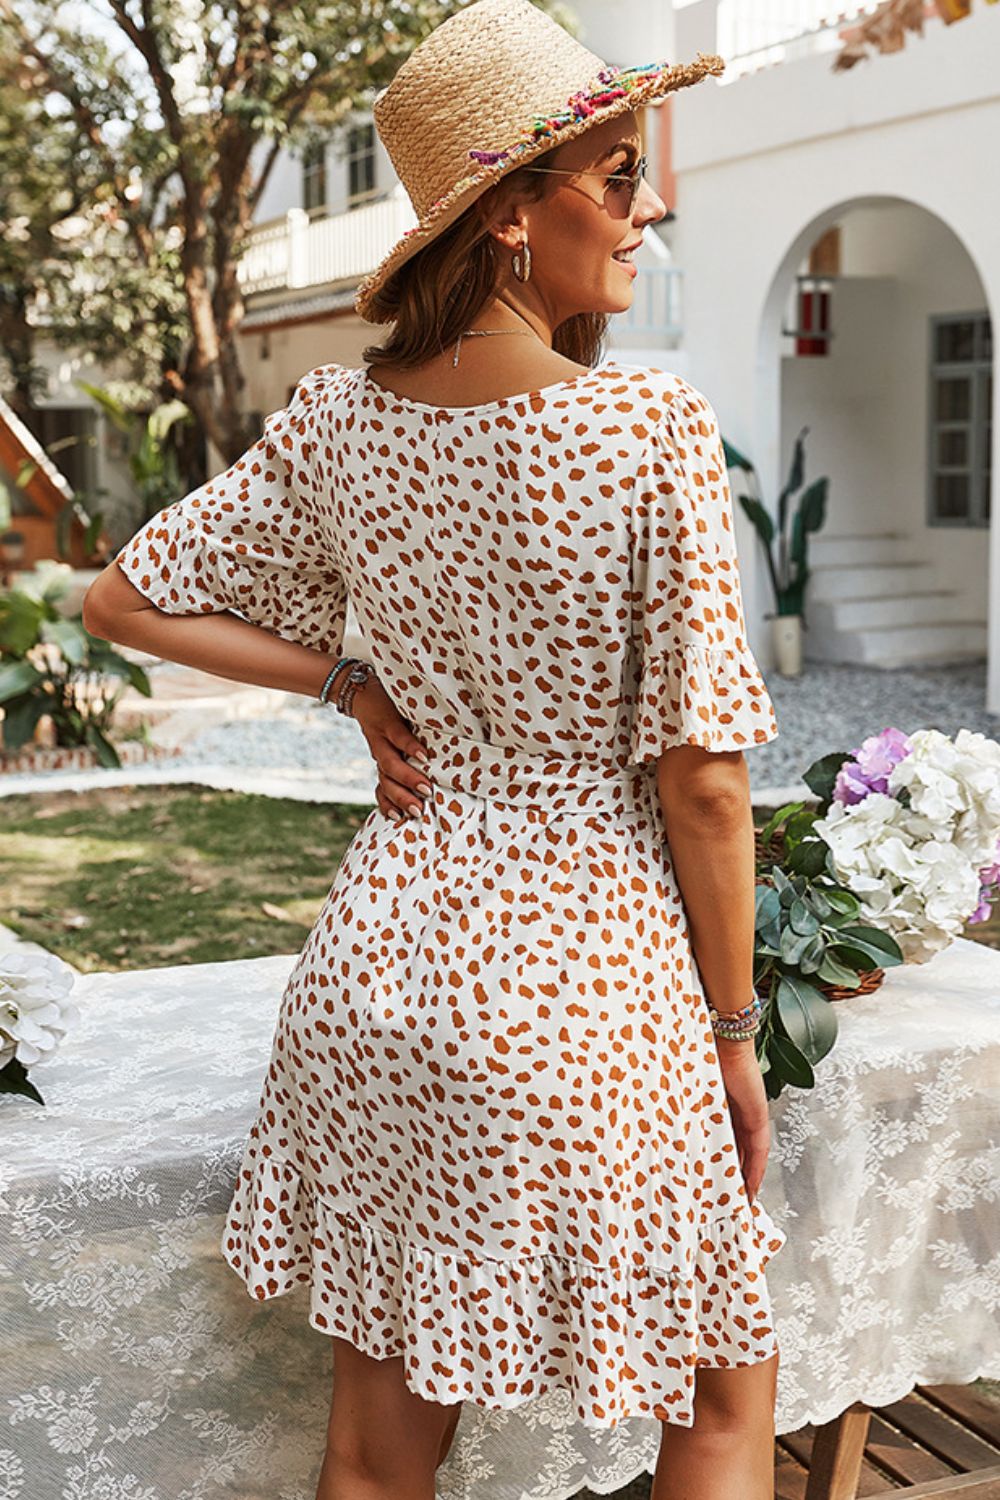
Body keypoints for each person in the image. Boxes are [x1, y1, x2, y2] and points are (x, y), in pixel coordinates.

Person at [82, 2, 788, 1496]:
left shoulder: (339, 421)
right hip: (583, 987)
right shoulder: (646, 429)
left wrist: (347, 679)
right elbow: (706, 786)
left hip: (376, 987)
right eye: (618, 177)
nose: (650, 207)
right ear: (512, 216)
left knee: (376, 1455)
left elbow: (121, 601)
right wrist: (734, 1038)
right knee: (725, 1401)